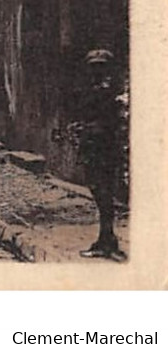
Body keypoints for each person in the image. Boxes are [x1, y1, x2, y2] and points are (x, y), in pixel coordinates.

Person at [76, 48, 127, 261]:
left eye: (100, 67)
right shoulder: (96, 89)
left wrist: (88, 128)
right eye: (93, 67)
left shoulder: (109, 92)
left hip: (103, 147)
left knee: (103, 193)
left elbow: (109, 121)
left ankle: (107, 242)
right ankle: (106, 239)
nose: (96, 71)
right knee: (100, 193)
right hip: (95, 146)